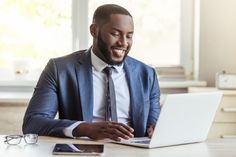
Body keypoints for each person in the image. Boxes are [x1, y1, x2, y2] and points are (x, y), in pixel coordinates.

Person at [22, 4, 161, 141]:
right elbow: (33, 123)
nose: (123, 43)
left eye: (129, 36)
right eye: (115, 34)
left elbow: (153, 126)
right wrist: (84, 128)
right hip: (84, 152)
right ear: (94, 30)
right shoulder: (60, 69)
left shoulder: (147, 74)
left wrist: (156, 129)